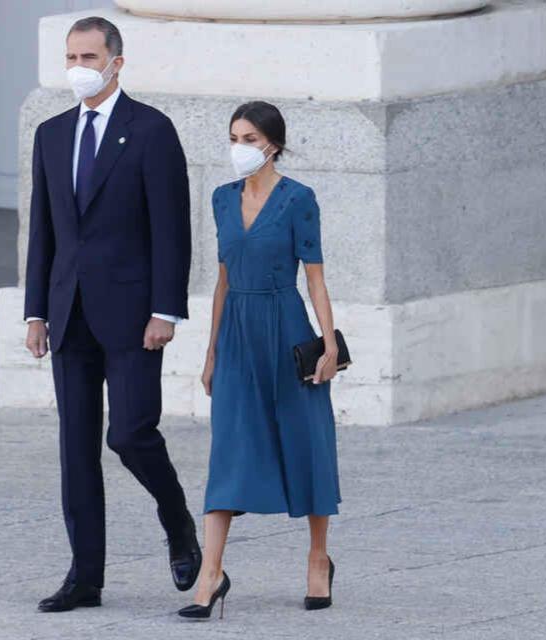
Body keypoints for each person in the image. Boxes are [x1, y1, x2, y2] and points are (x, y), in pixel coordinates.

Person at [23, 16, 201, 612]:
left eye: (89, 56)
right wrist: (34, 313)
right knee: (76, 448)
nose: (79, 66)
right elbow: (43, 232)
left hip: (131, 313)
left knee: (128, 433)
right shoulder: (50, 134)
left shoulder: (150, 130)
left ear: (116, 62)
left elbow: (172, 230)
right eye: (71, 55)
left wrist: (165, 310)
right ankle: (85, 576)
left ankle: (177, 522)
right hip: (66, 311)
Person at [177, 101, 342, 620]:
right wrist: (210, 352)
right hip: (238, 335)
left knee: (306, 439)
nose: (239, 148)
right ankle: (211, 573)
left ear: (272, 143)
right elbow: (222, 279)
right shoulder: (222, 200)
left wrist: (330, 343)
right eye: (234, 137)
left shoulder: (299, 199)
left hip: (287, 328)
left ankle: (319, 559)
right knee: (228, 447)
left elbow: (314, 277)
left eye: (248, 138)